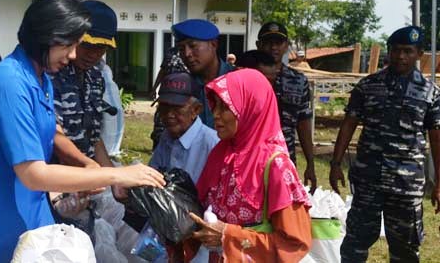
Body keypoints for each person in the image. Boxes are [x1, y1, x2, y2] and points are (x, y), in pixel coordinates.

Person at [0, 0, 165, 262]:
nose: (73, 55)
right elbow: (32, 173)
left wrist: (72, 182)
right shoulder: (9, 84)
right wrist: (114, 175)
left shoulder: (40, 80)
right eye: (69, 45)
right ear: (46, 36)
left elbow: (48, 133)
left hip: (30, 215)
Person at [329, 26, 440, 263]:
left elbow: (436, 136)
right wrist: (336, 163)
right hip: (368, 178)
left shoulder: (430, 93)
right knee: (355, 243)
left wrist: (439, 181)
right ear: (389, 51)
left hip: (406, 184)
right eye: (397, 50)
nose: (401, 56)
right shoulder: (368, 86)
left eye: (408, 51)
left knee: (405, 249)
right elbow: (349, 123)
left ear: (419, 54)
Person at [185, 69, 312, 262]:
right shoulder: (221, 154)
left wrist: (228, 237)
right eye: (215, 105)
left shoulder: (276, 166)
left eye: (225, 106)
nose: (216, 115)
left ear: (251, 107)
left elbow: (295, 244)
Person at [52, 0, 117, 167]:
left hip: (85, 177)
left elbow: (93, 138)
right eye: (87, 45)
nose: (93, 55)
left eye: (102, 47)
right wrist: (90, 170)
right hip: (54, 175)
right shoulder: (52, 74)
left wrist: (112, 177)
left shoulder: (95, 77)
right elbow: (53, 134)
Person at [256, 22, 317, 190]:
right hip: (252, 160)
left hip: (285, 159)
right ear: (258, 45)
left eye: (279, 42)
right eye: (268, 42)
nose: (273, 47)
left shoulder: (298, 80)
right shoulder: (246, 77)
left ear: (286, 46)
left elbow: (303, 123)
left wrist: (310, 163)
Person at [149, 72, 219, 183]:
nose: (169, 115)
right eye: (164, 107)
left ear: (196, 110)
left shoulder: (213, 145)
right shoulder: (166, 136)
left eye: (177, 108)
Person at [172, 19, 233, 128]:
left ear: (213, 44)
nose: (187, 54)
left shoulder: (237, 80)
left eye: (193, 46)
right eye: (181, 49)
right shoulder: (182, 85)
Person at [150, 46, 188, 149]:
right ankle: (157, 146)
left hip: (184, 95)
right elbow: (162, 71)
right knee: (160, 120)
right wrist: (154, 88)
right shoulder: (171, 52)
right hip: (166, 93)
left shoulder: (191, 53)